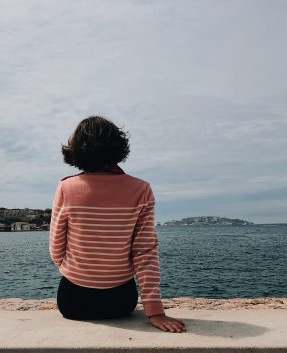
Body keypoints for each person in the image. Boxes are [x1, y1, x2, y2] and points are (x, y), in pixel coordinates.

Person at [49, 116, 186, 333]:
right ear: (118, 146)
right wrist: (155, 311)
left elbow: (56, 248)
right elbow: (145, 252)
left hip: (73, 301)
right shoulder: (141, 189)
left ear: (76, 149)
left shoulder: (66, 187)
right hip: (120, 302)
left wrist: (77, 272)